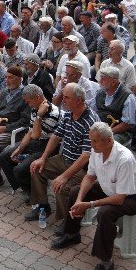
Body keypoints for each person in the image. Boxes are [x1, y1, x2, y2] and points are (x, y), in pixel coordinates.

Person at [52, 122, 136, 270]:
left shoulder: (124, 158)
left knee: (105, 212)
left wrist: (89, 205)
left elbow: (119, 199)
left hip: (134, 196)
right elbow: (89, 177)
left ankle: (106, 262)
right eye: (91, 141)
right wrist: (79, 201)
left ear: (109, 141)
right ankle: (72, 234)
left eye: (95, 141)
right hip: (111, 189)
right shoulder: (96, 150)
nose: (92, 145)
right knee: (76, 191)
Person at [27, 83, 94, 224]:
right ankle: (43, 206)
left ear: (79, 100)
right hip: (64, 159)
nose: (63, 100)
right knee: (36, 169)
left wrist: (64, 176)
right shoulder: (69, 114)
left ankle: (67, 222)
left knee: (62, 187)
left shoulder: (90, 122)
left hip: (81, 168)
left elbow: (86, 156)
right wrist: (43, 158)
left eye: (67, 97)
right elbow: (56, 136)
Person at [0, 84, 59, 196]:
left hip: (47, 147)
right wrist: (19, 148)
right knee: (4, 155)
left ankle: (33, 193)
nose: (27, 104)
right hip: (35, 143)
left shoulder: (53, 113)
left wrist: (39, 116)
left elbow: (35, 135)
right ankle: (23, 187)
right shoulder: (35, 108)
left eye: (28, 101)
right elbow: (30, 132)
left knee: (19, 170)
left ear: (37, 97)